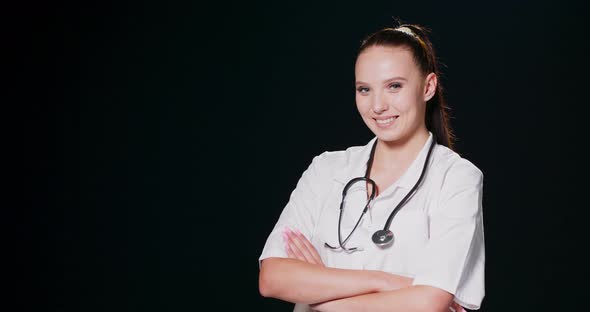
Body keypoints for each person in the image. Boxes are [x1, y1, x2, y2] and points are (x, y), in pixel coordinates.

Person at [258, 23, 485, 312]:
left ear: (427, 87)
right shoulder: (326, 170)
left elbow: (427, 303)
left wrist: (318, 294)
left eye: (394, 86)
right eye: (364, 89)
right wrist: (386, 282)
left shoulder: (456, 178)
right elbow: (272, 278)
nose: (377, 105)